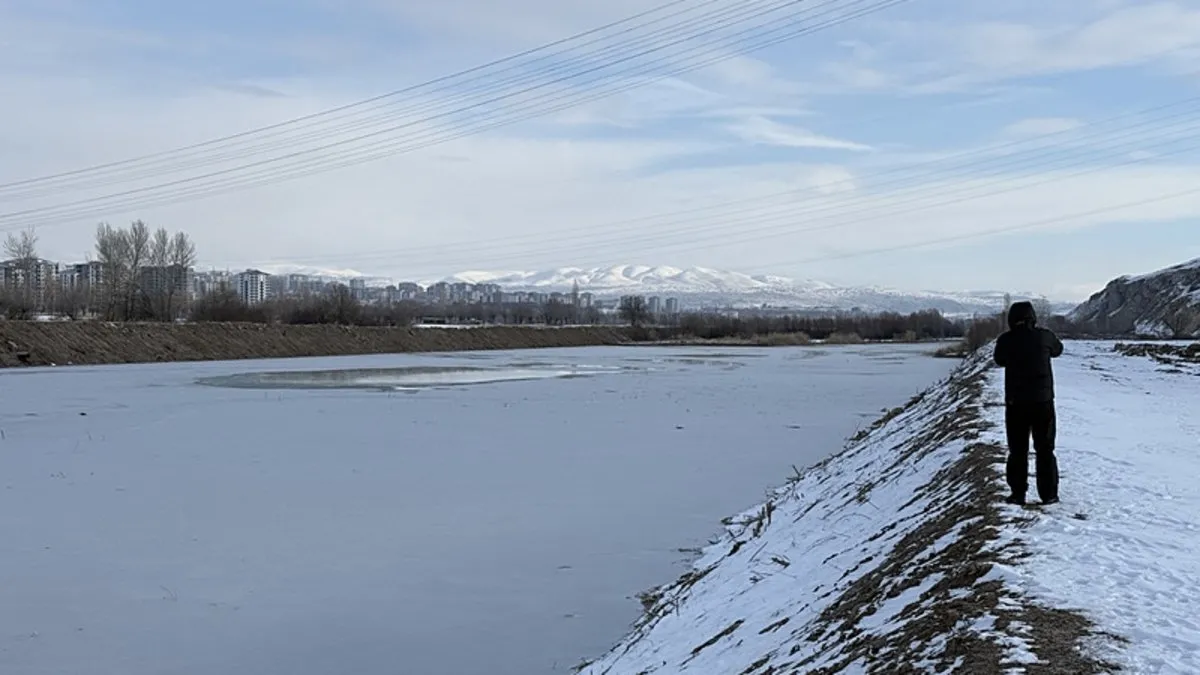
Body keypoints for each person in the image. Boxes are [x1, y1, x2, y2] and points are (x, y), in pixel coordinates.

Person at [993, 301, 1064, 506]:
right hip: (1043, 402)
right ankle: (1049, 494)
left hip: (1016, 403)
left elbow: (999, 360)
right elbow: (1058, 350)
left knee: (1017, 450)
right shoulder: (1045, 336)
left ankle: (1018, 494)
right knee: (1045, 449)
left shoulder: (1006, 340)